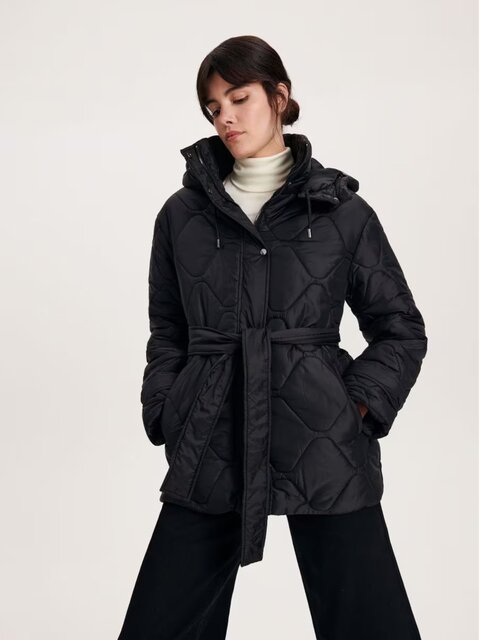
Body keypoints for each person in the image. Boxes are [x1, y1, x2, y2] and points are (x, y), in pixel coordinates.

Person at [117, 35, 428, 640]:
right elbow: (168, 331)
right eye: (214, 107)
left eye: (240, 98)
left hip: (323, 438)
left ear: (279, 97)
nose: (226, 118)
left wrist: (356, 408)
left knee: (369, 620)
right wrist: (167, 407)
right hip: (211, 434)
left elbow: (400, 328)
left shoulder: (341, 212)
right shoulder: (181, 216)